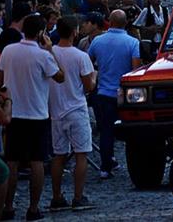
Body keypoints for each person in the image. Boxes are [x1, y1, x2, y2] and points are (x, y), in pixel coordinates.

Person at [0, 14, 65, 221]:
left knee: (12, 161)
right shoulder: (43, 56)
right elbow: (60, 77)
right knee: (37, 161)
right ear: (41, 33)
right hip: (36, 113)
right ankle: (33, 208)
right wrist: (50, 49)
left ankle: (8, 206)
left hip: (13, 112)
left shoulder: (8, 50)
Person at [48, 15, 95, 210]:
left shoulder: (49, 54)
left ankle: (57, 197)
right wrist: (95, 77)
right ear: (75, 32)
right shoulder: (80, 56)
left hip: (56, 110)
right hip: (76, 108)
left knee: (59, 155)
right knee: (81, 154)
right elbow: (88, 86)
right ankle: (78, 196)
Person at [87, 10, 140, 180]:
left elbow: (89, 62)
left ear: (109, 22)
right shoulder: (132, 42)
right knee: (132, 130)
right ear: (125, 23)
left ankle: (105, 166)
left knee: (106, 131)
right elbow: (135, 69)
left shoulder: (97, 41)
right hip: (124, 93)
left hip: (103, 92)